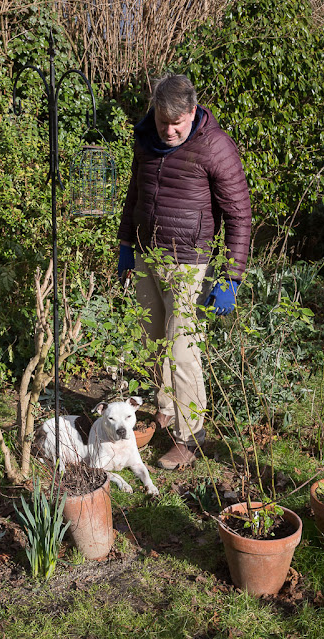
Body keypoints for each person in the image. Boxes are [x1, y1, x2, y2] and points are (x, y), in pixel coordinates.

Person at [117, 74, 251, 470]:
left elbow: (239, 215)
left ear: (192, 112)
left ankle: (191, 436)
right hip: (147, 254)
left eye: (177, 123)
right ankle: (166, 410)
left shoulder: (215, 146)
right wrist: (125, 245)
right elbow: (135, 193)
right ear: (155, 112)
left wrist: (231, 276)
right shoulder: (145, 138)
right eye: (163, 122)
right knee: (152, 340)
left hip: (190, 262)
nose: (169, 131)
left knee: (182, 350)